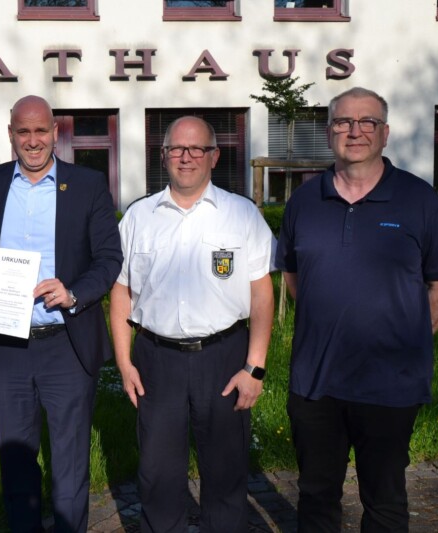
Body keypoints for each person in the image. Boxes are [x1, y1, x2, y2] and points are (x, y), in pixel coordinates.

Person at [275, 87, 438, 531]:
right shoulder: (304, 201)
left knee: (385, 498)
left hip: (390, 383)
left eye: (367, 122)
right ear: (329, 131)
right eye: (343, 122)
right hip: (316, 381)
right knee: (316, 496)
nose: (355, 131)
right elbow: (294, 278)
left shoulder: (420, 201)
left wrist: (406, 337)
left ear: (385, 133)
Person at [0, 95, 122, 533]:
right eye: (22, 131)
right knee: (16, 461)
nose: (32, 141)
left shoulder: (87, 185)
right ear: (10, 135)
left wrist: (72, 293)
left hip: (65, 345)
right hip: (5, 346)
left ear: (55, 133)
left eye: (40, 131)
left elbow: (109, 260)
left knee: (70, 465)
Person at [110, 116, 275, 533]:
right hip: (156, 360)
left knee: (226, 474)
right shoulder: (138, 217)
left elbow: (262, 295)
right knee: (158, 476)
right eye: (176, 149)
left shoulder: (242, 214)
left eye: (196, 149)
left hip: (223, 358)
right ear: (163, 156)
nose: (186, 157)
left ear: (214, 156)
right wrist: (125, 363)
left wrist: (255, 367)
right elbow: (120, 294)